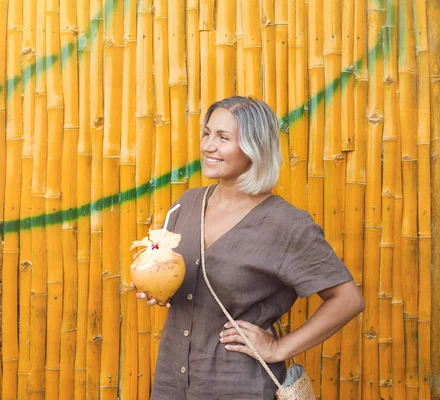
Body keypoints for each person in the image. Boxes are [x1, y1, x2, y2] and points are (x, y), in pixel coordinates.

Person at [134, 96, 365, 399]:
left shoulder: (286, 224)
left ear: (254, 148)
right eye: (207, 133)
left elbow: (347, 299)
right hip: (171, 383)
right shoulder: (186, 205)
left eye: (223, 137)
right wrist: (157, 289)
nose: (208, 146)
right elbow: (180, 278)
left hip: (239, 386)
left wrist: (279, 347)